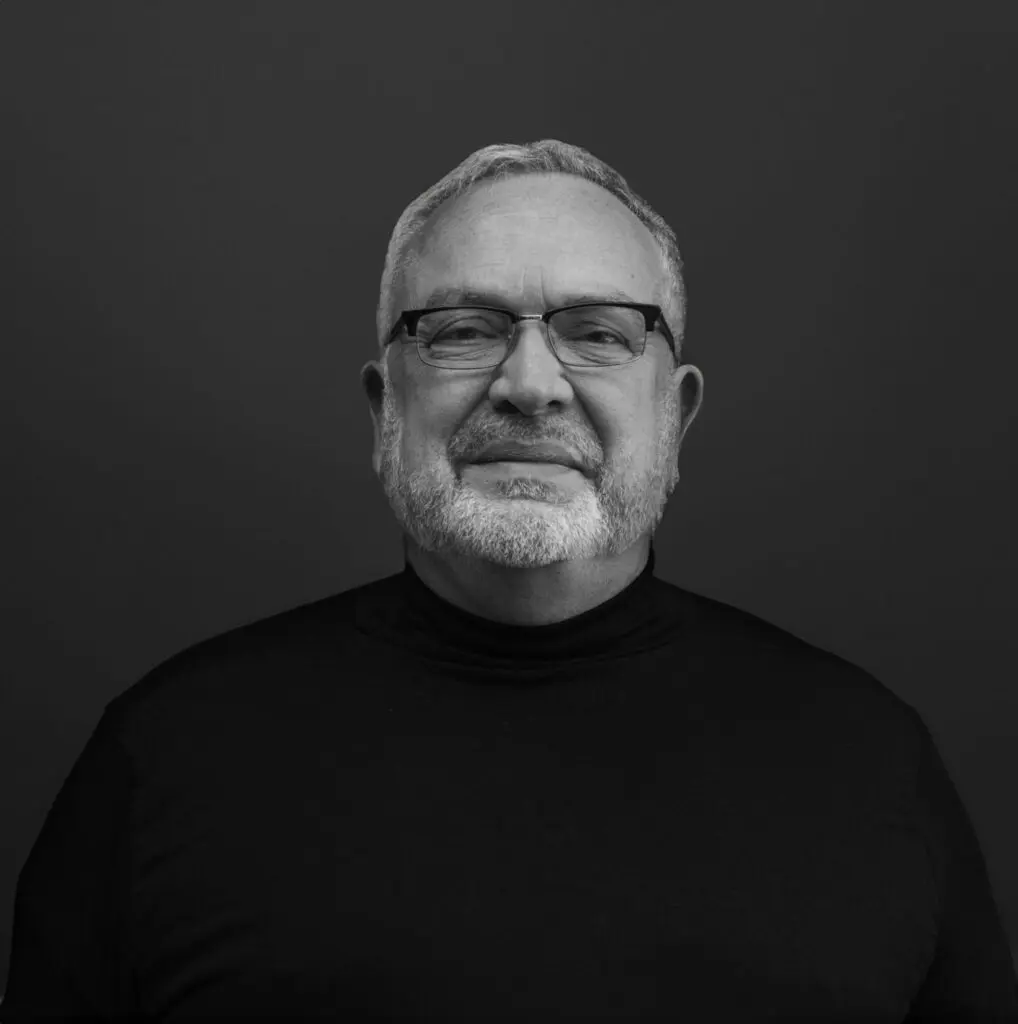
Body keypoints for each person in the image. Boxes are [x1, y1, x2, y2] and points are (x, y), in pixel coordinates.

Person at [2, 139, 1015, 1021]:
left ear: (677, 413)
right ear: (384, 406)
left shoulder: (868, 759)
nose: (530, 385)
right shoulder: (170, 754)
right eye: (462, 330)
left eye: (600, 333)